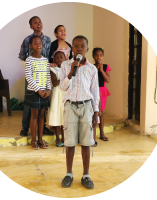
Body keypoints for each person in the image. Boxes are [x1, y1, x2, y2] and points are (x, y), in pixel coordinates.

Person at [60, 36, 99, 189]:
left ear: (87, 49)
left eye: (82, 46)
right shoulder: (65, 65)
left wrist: (96, 112)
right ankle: (69, 174)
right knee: (69, 143)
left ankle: (86, 175)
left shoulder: (92, 69)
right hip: (70, 106)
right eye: (76, 46)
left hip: (86, 106)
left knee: (86, 142)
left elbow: (95, 92)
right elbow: (62, 87)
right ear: (72, 49)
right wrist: (70, 73)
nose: (79, 48)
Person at [18, 16, 53, 136]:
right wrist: (32, 61)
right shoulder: (27, 40)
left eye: (40, 21)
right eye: (35, 22)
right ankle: (25, 127)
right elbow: (22, 55)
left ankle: (42, 127)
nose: (38, 23)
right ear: (31, 26)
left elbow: (49, 56)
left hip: (44, 74)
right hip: (32, 75)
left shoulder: (48, 40)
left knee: (43, 104)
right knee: (30, 103)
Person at [23, 35, 51, 149]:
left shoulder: (45, 60)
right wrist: (38, 90)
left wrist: (48, 89)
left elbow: (48, 75)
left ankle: (40, 140)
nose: (38, 45)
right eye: (35, 43)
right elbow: (28, 77)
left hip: (44, 92)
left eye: (40, 43)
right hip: (34, 92)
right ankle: (33, 141)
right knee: (34, 115)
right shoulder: (29, 60)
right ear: (31, 46)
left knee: (42, 116)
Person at [92, 48, 111, 145]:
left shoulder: (106, 67)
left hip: (102, 91)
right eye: (96, 55)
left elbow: (107, 80)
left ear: (103, 56)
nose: (98, 57)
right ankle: (92, 136)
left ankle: (102, 133)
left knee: (101, 112)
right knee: (93, 113)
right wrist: (96, 69)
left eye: (100, 55)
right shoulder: (90, 67)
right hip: (93, 91)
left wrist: (101, 70)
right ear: (93, 56)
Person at [48, 51, 66, 147]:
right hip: (56, 94)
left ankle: (64, 138)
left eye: (61, 57)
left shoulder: (67, 70)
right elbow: (55, 83)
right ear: (54, 60)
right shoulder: (53, 70)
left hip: (64, 94)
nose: (59, 59)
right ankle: (58, 139)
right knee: (56, 116)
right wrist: (65, 78)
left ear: (65, 59)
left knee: (63, 117)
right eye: (57, 58)